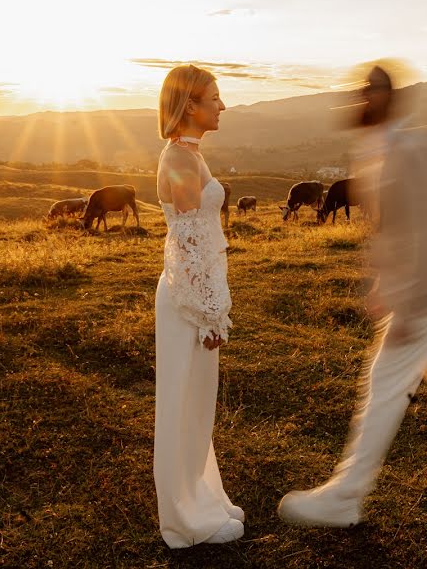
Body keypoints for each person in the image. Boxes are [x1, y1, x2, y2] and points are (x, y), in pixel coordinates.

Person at [277, 61, 427, 528]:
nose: (359, 100)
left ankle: (346, 494)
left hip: (421, 294)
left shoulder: (405, 149)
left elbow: (420, 228)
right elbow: (391, 227)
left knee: (383, 388)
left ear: (383, 99)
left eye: (367, 93)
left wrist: (405, 295)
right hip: (424, 290)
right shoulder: (380, 147)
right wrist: (384, 280)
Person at [153, 64, 244, 547]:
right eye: (214, 97)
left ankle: (201, 495)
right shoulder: (180, 162)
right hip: (186, 300)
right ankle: (183, 519)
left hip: (194, 295)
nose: (222, 105)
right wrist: (208, 313)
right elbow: (186, 247)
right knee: (181, 404)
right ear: (190, 105)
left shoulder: (188, 155)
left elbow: (202, 240)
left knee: (196, 404)